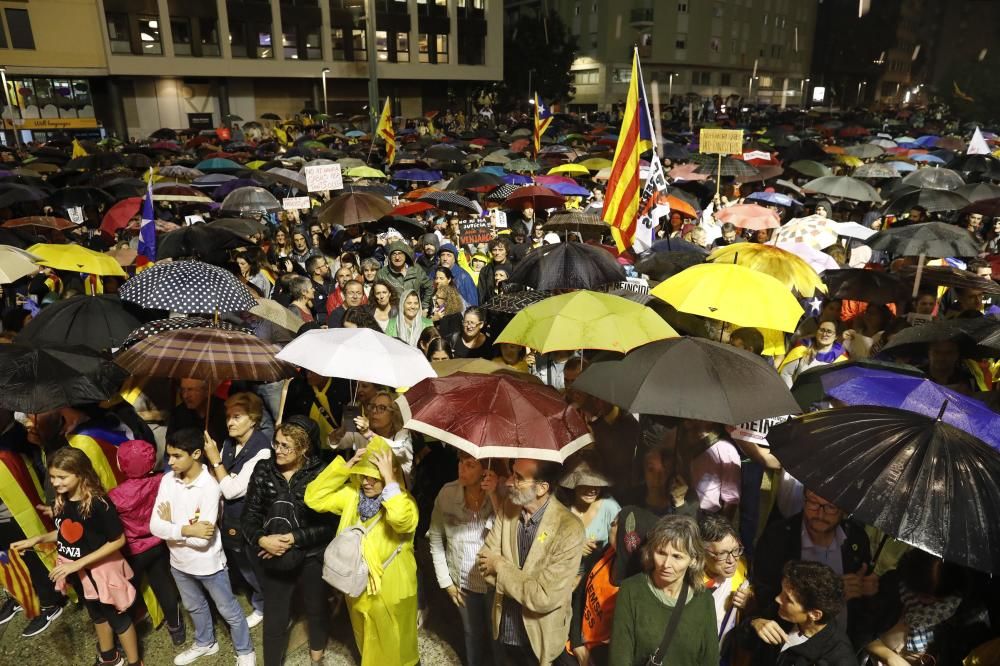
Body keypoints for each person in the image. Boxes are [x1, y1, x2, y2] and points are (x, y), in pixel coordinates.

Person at [12, 448, 141, 666]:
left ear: (80, 474)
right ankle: (109, 656)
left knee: (118, 618)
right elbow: (67, 532)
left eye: (62, 477)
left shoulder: (100, 503)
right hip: (79, 574)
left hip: (100, 573)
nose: (55, 482)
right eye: (52, 477)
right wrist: (37, 539)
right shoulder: (61, 501)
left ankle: (135, 662)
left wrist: (79, 563)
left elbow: (118, 540)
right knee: (97, 615)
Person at [304, 437, 420, 666]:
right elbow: (313, 497)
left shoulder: (404, 501)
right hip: (357, 588)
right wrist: (344, 468)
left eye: (373, 476)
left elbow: (401, 520)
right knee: (368, 643)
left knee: (399, 649)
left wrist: (389, 480)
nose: (366, 482)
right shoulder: (352, 496)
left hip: (392, 589)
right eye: (362, 475)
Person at [149, 428, 256, 666]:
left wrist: (171, 525)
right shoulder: (168, 480)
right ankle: (206, 642)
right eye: (169, 455)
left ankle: (245, 651)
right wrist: (186, 528)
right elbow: (155, 526)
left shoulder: (210, 486)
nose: (170, 462)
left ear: (196, 454)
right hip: (178, 562)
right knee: (193, 606)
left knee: (229, 610)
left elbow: (203, 540)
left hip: (209, 564)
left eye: (177, 456)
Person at [241, 420, 335, 666]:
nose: (278, 450)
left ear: (304, 448)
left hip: (310, 555)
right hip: (272, 555)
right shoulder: (264, 469)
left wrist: (294, 538)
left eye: (286, 446)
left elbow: (329, 526)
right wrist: (263, 539)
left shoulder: (322, 472)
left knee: (316, 606)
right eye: (276, 443)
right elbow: (248, 517)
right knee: (275, 616)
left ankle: (317, 655)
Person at [476, 458, 586, 665]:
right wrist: (527, 586)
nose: (508, 482)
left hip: (539, 639)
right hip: (504, 628)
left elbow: (543, 598)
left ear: (542, 488)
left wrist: (500, 566)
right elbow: (483, 562)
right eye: (511, 474)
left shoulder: (570, 529)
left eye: (518, 478)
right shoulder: (509, 507)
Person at [750, 489, 878, 653]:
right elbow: (764, 593)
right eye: (813, 502)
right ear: (803, 499)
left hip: (837, 648)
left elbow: (863, 602)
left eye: (830, 507)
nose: (820, 513)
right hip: (787, 645)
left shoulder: (856, 538)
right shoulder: (778, 536)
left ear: (844, 509)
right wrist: (834, 594)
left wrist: (869, 588)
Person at [608, 515, 720, 665]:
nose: (666, 564)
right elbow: (619, 659)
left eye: (677, 557)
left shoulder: (704, 599)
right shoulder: (631, 590)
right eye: (661, 553)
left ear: (693, 560)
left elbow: (710, 660)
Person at [201, 392, 272, 629]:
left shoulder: (262, 450)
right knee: (241, 561)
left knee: (252, 565)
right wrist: (221, 472)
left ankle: (265, 604)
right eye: (228, 416)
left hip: (250, 519)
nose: (229, 422)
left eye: (237, 416)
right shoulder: (230, 443)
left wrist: (216, 462)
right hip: (230, 517)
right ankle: (259, 598)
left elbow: (232, 490)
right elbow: (220, 481)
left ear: (253, 419)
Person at [107, 439, 186, 647]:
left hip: (133, 551)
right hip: (159, 543)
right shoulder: (162, 480)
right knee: (163, 584)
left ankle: (128, 631)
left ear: (121, 465)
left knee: (129, 592)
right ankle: (176, 628)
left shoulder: (115, 496)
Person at [427, 452, 502, 666]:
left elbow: (510, 532)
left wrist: (496, 495)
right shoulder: (447, 494)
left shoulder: (501, 491)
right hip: (463, 583)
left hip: (494, 583)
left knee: (498, 636)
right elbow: (435, 537)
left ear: (486, 469)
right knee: (473, 634)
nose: (461, 469)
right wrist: (447, 582)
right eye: (460, 462)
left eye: (470, 465)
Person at [752, 561, 856, 666]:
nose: (778, 599)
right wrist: (755, 623)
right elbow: (742, 637)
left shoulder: (839, 659)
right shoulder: (781, 612)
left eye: (788, 599)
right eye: (781, 592)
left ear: (815, 614)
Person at [700, 513, 751, 658]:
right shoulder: (687, 581)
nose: (732, 560)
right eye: (722, 554)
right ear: (702, 552)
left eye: (736, 550)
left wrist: (749, 602)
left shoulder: (742, 570)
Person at [560, 457, 621, 569]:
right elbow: (547, 542)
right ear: (574, 484)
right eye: (586, 484)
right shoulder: (562, 507)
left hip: (597, 575)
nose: (592, 490)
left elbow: (621, 548)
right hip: (564, 574)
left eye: (596, 484)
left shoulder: (610, 507)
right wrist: (575, 547)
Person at [165, 379, 228, 455]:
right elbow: (170, 445)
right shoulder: (178, 413)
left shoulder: (224, 410)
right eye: (183, 390)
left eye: (190, 390)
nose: (185, 395)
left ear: (207, 391)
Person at [779, 322, 847, 388]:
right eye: (822, 330)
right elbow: (786, 374)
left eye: (829, 331)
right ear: (816, 332)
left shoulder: (840, 361)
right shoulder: (801, 351)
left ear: (836, 336)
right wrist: (791, 394)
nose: (824, 334)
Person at [376, 240, 434, 311]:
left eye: (400, 253)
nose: (397, 257)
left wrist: (425, 306)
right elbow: (375, 295)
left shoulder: (416, 270)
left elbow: (429, 286)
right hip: (392, 315)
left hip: (413, 312)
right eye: (394, 254)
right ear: (390, 257)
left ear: (406, 255)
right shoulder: (382, 274)